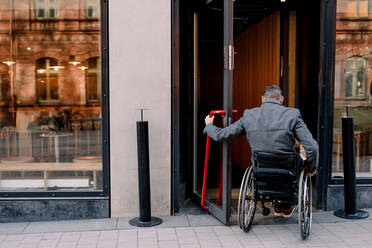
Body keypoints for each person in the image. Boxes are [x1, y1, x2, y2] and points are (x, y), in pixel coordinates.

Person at [203, 85, 319, 217]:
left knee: (268, 164)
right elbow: (312, 147)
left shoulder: (249, 115)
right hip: (286, 167)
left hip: (261, 166)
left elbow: (222, 135)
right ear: (281, 99)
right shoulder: (292, 115)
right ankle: (285, 206)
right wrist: (311, 168)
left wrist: (209, 126)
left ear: (262, 99)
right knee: (298, 160)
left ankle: (277, 203)